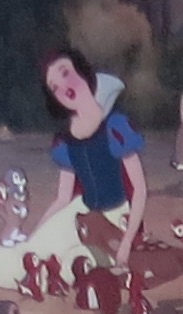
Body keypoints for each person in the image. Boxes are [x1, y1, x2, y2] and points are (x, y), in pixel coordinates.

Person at [37, 56, 149, 282]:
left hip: (116, 214)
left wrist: (127, 241)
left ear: (84, 74)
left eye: (65, 73)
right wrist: (38, 232)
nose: (63, 87)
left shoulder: (115, 126)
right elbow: (62, 198)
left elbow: (140, 189)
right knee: (38, 249)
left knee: (79, 261)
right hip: (83, 212)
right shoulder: (65, 140)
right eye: (54, 87)